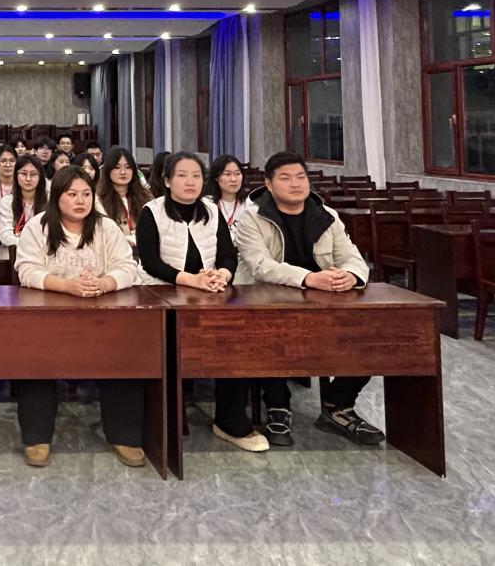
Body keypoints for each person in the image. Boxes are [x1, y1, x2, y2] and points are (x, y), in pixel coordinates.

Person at [234, 151, 381, 448]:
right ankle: (278, 406)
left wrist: (351, 276)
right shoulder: (252, 217)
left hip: (321, 300)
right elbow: (260, 265)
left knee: (373, 333)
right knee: (269, 334)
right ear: (269, 184)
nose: (295, 184)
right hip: (268, 299)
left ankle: (338, 406)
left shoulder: (327, 216)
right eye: (285, 178)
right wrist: (309, 278)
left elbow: (353, 257)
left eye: (300, 177)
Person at [14, 166, 144, 468]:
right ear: (57, 197)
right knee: (33, 359)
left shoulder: (106, 227)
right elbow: (27, 270)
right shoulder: (38, 226)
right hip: (49, 317)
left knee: (127, 355)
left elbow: (128, 267)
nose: (80, 201)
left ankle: (124, 435)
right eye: (72, 194)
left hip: (102, 314)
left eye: (86, 194)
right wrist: (67, 286)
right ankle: (36, 437)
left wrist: (104, 283)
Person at [135, 152, 265, 453]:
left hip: (208, 293)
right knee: (167, 346)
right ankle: (166, 416)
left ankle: (230, 420)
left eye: (196, 175)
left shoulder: (211, 210)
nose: (190, 181)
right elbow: (151, 262)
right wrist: (190, 280)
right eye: (181, 175)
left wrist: (222, 275)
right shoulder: (152, 212)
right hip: (162, 294)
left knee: (237, 339)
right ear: (167, 180)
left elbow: (228, 255)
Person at [96, 147, 151, 251]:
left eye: (128, 167)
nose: (123, 172)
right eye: (117, 167)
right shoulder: (98, 201)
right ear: (108, 170)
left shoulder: (146, 196)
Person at [0, 155, 46, 249]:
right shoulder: (7, 202)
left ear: (40, 177)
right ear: (16, 176)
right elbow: (5, 236)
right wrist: (31, 244)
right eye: (23, 174)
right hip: (15, 253)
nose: (28, 179)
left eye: (33, 174)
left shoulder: (50, 201)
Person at [208, 154, 253, 242]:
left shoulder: (249, 205)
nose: (233, 179)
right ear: (216, 177)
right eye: (227, 174)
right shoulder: (207, 204)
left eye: (237, 174)